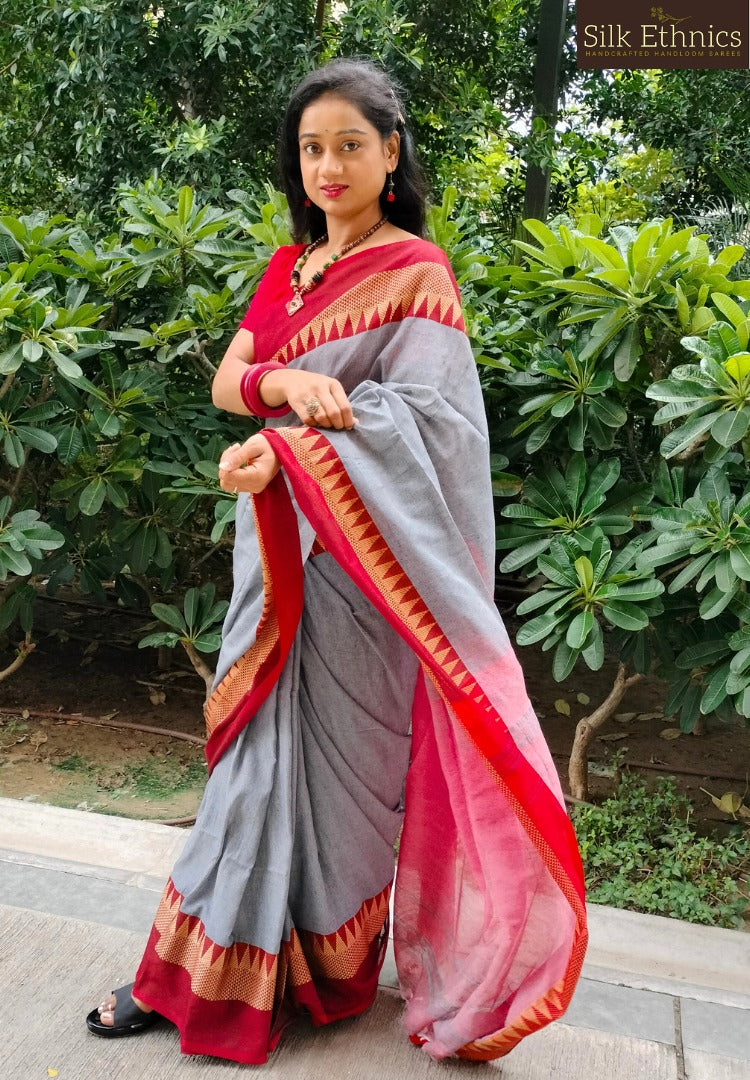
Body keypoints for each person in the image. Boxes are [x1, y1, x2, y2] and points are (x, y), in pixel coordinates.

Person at [86, 57, 587, 1065]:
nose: (327, 165)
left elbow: (439, 429)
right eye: (311, 148)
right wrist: (279, 392)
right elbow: (234, 381)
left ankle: (324, 973)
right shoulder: (290, 268)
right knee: (250, 780)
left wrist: (298, 439)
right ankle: (192, 976)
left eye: (348, 145)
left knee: (346, 780)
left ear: (391, 151)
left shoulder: (417, 274)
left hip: (361, 577)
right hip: (272, 555)